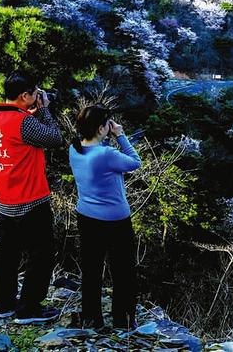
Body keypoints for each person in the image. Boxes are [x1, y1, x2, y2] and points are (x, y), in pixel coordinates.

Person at [0, 71, 63, 324]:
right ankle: (29, 309)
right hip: (31, 199)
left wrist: (34, 111)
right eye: (35, 92)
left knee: (7, 255)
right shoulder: (23, 123)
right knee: (41, 255)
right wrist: (45, 110)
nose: (38, 96)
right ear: (25, 96)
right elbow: (54, 138)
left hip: (6, 199)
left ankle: (4, 304)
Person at [69, 105, 142, 330]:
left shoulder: (74, 149)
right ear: (102, 128)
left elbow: (100, 157)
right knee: (123, 271)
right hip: (115, 221)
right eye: (108, 124)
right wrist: (120, 135)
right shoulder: (107, 154)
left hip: (86, 216)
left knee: (91, 269)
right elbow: (135, 162)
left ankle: (92, 318)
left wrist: (104, 137)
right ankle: (124, 320)